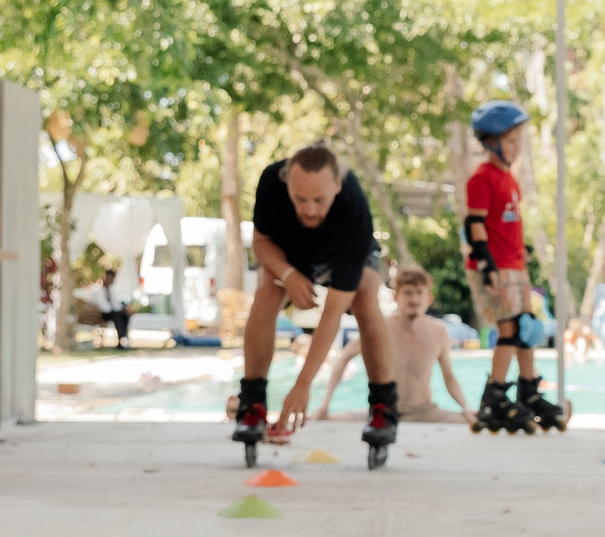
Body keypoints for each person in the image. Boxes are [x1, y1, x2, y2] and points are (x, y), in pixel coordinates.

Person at [229, 143, 401, 465]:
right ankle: (252, 404)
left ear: (337, 186)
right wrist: (288, 273)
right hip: (291, 255)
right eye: (300, 199)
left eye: (319, 200)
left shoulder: (354, 210)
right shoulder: (271, 181)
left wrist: (303, 383)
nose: (309, 210)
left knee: (365, 300)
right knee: (266, 291)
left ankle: (384, 408)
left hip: (343, 255)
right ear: (287, 183)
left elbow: (332, 314)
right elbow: (262, 242)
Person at [461, 101, 567, 433]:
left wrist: (525, 252)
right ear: (490, 142)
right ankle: (493, 396)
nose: (516, 148)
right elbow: (474, 224)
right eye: (510, 141)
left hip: (515, 265)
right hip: (494, 267)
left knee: (525, 328)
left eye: (518, 141)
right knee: (509, 330)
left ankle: (527, 389)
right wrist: (488, 265)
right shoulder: (482, 178)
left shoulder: (509, 179)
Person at [323, 263, 473, 426]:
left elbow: (449, 376)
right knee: (324, 421)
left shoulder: (438, 331)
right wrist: (325, 406)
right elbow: (343, 359)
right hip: (382, 411)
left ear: (428, 298)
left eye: (419, 293)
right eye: (408, 293)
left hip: (425, 412)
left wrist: (466, 408)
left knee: (475, 424)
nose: (414, 299)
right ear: (396, 297)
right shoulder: (380, 328)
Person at [82, 267, 133, 349]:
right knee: (117, 315)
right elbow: (104, 307)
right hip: (99, 313)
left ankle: (122, 339)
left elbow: (115, 303)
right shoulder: (98, 289)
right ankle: (122, 339)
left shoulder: (110, 289)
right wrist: (118, 310)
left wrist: (123, 310)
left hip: (110, 312)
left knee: (124, 315)